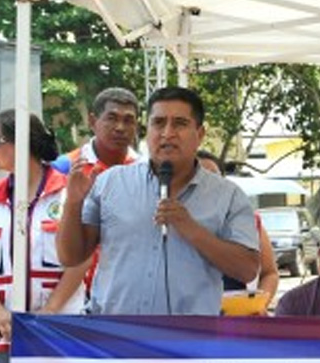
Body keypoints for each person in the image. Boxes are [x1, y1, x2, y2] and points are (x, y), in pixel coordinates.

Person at [57, 86, 260, 315]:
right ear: (147, 131)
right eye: (159, 123)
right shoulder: (109, 183)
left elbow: (248, 269)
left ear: (200, 134)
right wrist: (73, 204)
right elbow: (70, 257)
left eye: (180, 123)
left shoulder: (228, 196)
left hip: (188, 341)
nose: (167, 133)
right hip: (115, 336)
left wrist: (191, 229)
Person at [0, 110, 90, 363]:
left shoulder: (69, 190)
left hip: (58, 327)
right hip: (2, 330)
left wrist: (47, 315)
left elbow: (81, 260)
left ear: (21, 143)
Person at [197, 150, 280, 314]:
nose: (208, 185)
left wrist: (260, 306)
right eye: (200, 177)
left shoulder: (248, 221)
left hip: (240, 320)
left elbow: (269, 273)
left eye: (214, 177)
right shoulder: (170, 224)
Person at [53, 87, 140, 175]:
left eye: (128, 120)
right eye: (112, 119)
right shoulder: (64, 168)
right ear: (92, 122)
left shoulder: (144, 169)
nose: (120, 128)